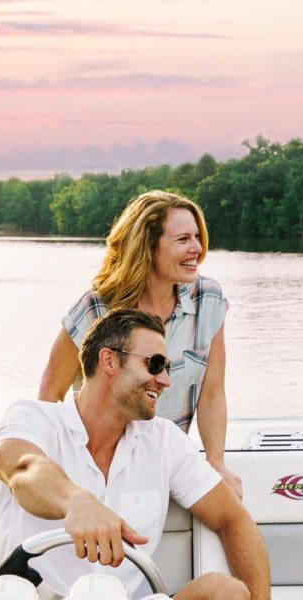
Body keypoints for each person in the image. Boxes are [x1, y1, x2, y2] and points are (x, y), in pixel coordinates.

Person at [0, 308, 273, 600]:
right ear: (109, 361)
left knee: (226, 592)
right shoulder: (34, 418)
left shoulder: (164, 440)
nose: (165, 381)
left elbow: (233, 519)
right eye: (154, 364)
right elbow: (22, 468)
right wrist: (76, 501)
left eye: (168, 369)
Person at [39, 190, 244, 497]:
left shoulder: (208, 300)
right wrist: (55, 474)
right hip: (98, 473)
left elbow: (212, 393)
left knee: (231, 518)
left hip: (167, 468)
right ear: (148, 247)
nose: (197, 249)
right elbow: (50, 395)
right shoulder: (96, 308)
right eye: (183, 239)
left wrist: (216, 463)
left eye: (197, 237)